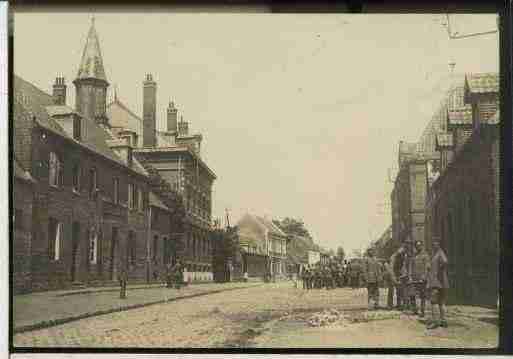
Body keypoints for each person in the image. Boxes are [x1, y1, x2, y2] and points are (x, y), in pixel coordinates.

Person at [426, 238, 449, 329]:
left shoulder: (439, 253)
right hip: (442, 282)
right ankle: (443, 321)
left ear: (439, 244)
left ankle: (435, 322)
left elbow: (445, 261)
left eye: (436, 243)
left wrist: (439, 270)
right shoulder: (436, 254)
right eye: (433, 243)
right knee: (441, 302)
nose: (434, 245)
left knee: (433, 302)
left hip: (437, 282)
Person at [411, 241, 430, 317]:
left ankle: (422, 311)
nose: (418, 247)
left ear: (422, 246)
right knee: (412, 294)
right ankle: (414, 309)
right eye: (416, 246)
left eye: (419, 246)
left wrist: (424, 277)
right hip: (414, 278)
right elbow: (412, 266)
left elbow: (427, 267)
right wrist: (411, 276)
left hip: (422, 279)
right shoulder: (414, 256)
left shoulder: (425, 255)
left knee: (422, 296)